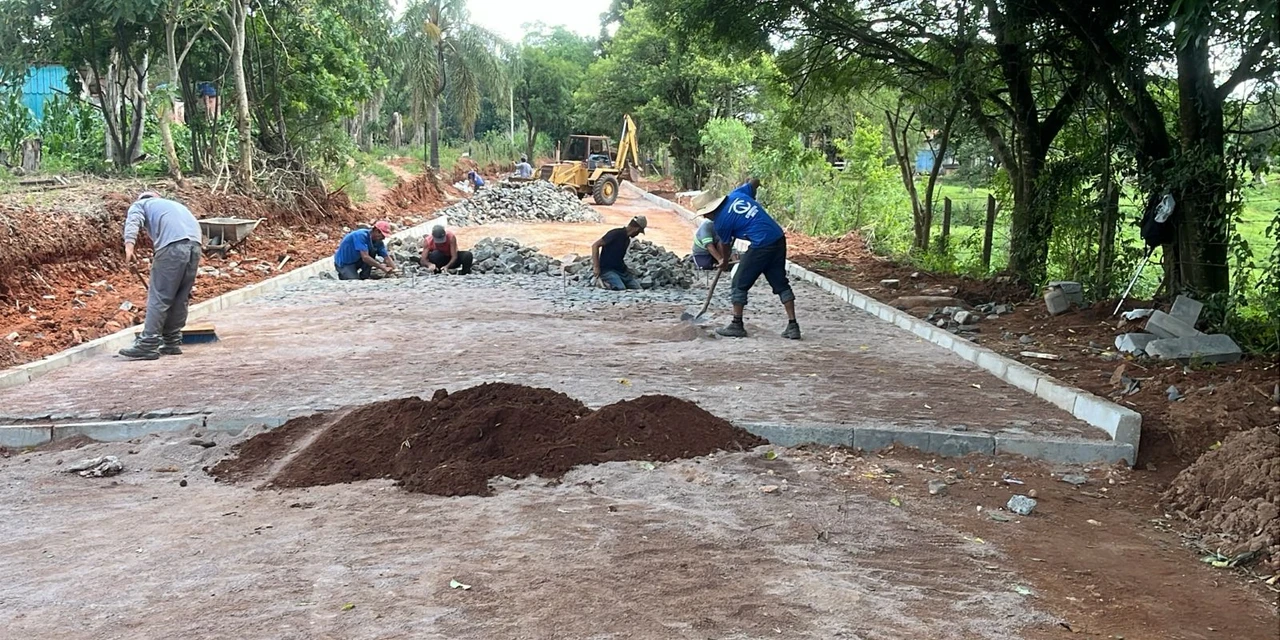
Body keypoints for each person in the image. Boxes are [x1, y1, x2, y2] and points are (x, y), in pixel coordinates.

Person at [696, 179, 800, 340]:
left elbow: (725, 246)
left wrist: (723, 261)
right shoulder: (737, 194)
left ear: (709, 211)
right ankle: (793, 325)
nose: (704, 216)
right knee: (780, 282)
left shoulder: (721, 223)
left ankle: (737, 324)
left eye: (704, 213)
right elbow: (755, 182)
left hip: (761, 244)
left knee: (739, 282)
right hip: (778, 238)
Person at [118, 191, 204, 360]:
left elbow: (133, 221)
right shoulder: (175, 205)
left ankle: (148, 343)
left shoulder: (141, 205)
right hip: (195, 246)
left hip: (173, 247)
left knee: (159, 296)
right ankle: (172, 342)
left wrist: (129, 247)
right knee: (180, 296)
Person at [591, 215, 647, 290]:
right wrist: (596, 267)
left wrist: (627, 269)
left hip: (621, 272)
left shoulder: (627, 240)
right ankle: (603, 283)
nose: (637, 234)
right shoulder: (615, 234)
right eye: (639, 232)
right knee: (620, 288)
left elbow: (617, 257)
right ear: (636, 229)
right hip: (607, 270)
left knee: (638, 289)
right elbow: (595, 245)